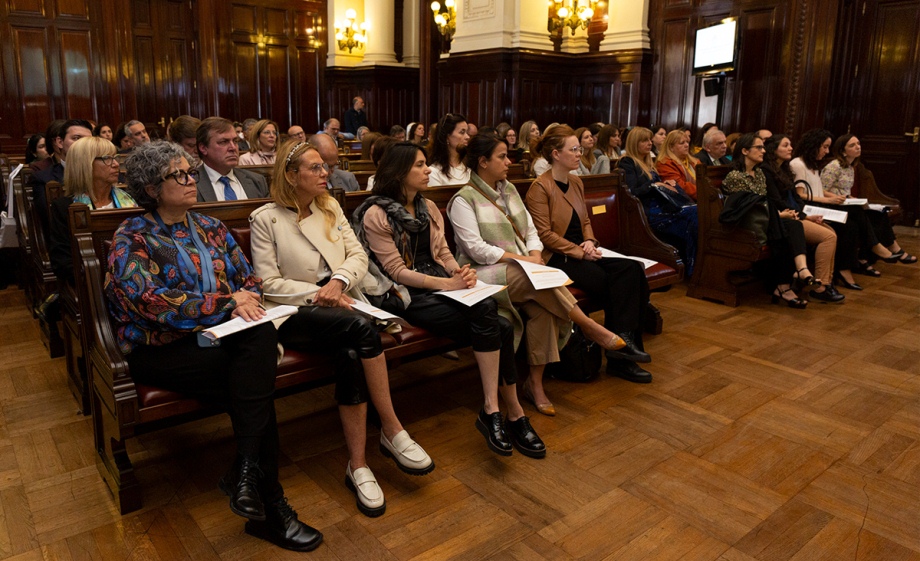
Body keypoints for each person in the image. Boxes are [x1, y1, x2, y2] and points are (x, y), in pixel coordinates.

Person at [105, 141, 322, 552]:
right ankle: (266, 500)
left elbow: (251, 280)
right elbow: (149, 302)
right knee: (254, 382)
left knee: (256, 342)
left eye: (191, 172)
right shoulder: (132, 235)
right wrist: (227, 303)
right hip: (162, 350)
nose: (191, 181)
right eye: (180, 175)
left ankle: (248, 476)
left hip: (222, 341)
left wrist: (244, 300)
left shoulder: (210, 227)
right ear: (152, 187)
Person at [250, 140, 434, 517]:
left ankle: (358, 464)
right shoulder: (265, 218)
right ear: (290, 175)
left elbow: (358, 256)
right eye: (314, 168)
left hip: (344, 302)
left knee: (352, 349)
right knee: (360, 330)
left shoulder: (330, 206)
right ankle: (392, 427)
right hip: (296, 312)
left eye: (324, 167)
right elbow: (268, 283)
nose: (325, 173)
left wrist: (338, 281)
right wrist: (322, 293)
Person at [352, 142, 546, 458]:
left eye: (426, 163)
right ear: (399, 171)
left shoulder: (427, 207)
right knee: (491, 317)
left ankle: (508, 411)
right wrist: (449, 283)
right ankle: (497, 411)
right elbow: (397, 272)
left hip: (439, 285)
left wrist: (462, 273)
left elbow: (442, 253)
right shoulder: (376, 213)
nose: (428, 169)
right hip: (403, 296)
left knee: (502, 325)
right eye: (419, 165)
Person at [447, 134, 628, 415]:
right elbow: (476, 249)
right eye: (501, 157)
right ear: (482, 162)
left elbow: (531, 231)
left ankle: (534, 384)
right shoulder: (463, 199)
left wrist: (534, 256)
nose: (509, 162)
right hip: (483, 273)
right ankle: (588, 326)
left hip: (521, 268)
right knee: (538, 278)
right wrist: (526, 261)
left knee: (543, 309)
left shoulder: (509, 191)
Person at [524, 125, 653, 383]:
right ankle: (622, 354)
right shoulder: (540, 188)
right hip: (559, 257)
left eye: (579, 149)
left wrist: (590, 242)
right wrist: (579, 253)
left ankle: (623, 346)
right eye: (573, 149)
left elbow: (584, 220)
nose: (578, 153)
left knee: (632, 269)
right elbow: (545, 235)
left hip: (584, 250)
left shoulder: (576, 181)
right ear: (555, 154)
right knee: (614, 283)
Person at [722, 133, 831, 307]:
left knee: (790, 228)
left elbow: (766, 202)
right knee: (788, 227)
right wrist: (780, 215)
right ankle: (795, 276)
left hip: (766, 220)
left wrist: (780, 216)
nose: (763, 151)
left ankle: (789, 281)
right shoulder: (736, 176)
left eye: (763, 147)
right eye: (758, 147)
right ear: (744, 151)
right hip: (747, 224)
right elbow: (747, 209)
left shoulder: (758, 174)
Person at [790, 128, 898, 287]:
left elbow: (819, 190)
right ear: (814, 145)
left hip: (819, 205)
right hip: (810, 209)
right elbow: (800, 195)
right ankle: (875, 247)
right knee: (854, 214)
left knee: (852, 225)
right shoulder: (798, 164)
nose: (827, 152)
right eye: (824, 147)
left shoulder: (813, 165)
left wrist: (834, 198)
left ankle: (844, 269)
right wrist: (829, 201)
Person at [49, 136, 137, 285]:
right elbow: (62, 262)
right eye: (107, 158)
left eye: (115, 157)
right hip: (92, 283)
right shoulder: (65, 207)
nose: (116, 164)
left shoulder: (132, 200)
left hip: (135, 276)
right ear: (84, 164)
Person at [762, 134, 840, 301]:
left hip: (796, 214)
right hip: (784, 218)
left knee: (831, 231)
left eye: (790, 144)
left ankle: (826, 282)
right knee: (828, 236)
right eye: (785, 145)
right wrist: (803, 217)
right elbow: (777, 201)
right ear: (773, 149)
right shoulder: (766, 171)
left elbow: (796, 199)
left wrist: (808, 215)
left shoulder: (784, 168)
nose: (791, 148)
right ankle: (820, 287)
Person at [821, 134, 916, 267]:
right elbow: (822, 190)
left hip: (846, 202)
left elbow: (844, 190)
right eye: (852, 145)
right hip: (833, 205)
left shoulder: (850, 167)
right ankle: (879, 249)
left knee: (879, 213)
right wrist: (840, 197)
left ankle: (883, 251)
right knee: (862, 217)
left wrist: (851, 198)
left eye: (858, 144)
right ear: (843, 151)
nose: (857, 147)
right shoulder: (834, 166)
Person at [618, 127, 698, 276]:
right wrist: (654, 185)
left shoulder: (649, 162)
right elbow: (631, 192)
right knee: (694, 213)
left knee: (696, 213)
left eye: (650, 140)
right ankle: (693, 269)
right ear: (634, 143)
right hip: (647, 211)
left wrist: (668, 184)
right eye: (644, 140)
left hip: (661, 206)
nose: (649, 143)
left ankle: (694, 266)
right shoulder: (627, 162)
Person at [30, 119, 93, 222]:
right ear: (60, 142)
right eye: (76, 138)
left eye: (87, 141)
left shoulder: (105, 171)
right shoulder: (43, 179)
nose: (82, 144)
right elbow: (49, 219)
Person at [195, 117, 269, 201]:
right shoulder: (191, 184)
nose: (233, 148)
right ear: (203, 148)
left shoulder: (257, 181)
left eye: (235, 141)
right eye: (223, 142)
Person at [427, 113, 472, 186]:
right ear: (447, 137)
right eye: (462, 132)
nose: (467, 137)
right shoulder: (434, 172)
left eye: (467, 132)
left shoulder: (469, 168)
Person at [656, 130, 700, 200]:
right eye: (682, 143)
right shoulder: (665, 164)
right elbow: (679, 186)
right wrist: (704, 192)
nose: (687, 145)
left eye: (687, 142)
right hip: (684, 201)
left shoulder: (695, 162)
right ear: (671, 147)